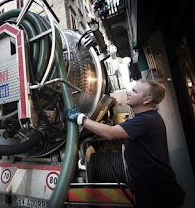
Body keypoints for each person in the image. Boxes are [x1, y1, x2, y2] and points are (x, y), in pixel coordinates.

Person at [64, 80, 185, 208]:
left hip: (159, 194)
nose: (129, 92)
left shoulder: (146, 120)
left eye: (134, 91)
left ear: (147, 100)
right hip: (151, 190)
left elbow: (111, 133)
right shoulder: (146, 118)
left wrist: (80, 118)